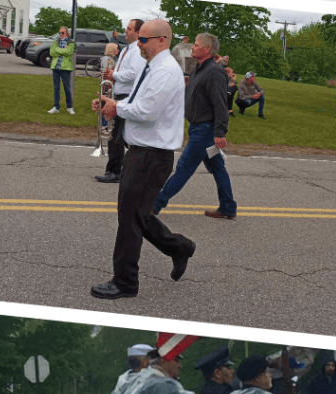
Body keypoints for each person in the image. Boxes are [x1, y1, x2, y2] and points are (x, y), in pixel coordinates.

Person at [90, 18, 197, 298]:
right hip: (141, 152)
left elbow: (148, 111)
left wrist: (118, 108)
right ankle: (180, 247)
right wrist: (113, 105)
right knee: (138, 216)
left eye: (144, 39)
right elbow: (137, 103)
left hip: (152, 155)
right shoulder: (152, 67)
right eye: (139, 38)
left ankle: (125, 282)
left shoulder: (165, 71)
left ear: (162, 40)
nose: (139, 43)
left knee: (129, 220)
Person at [152, 32, 237, 221]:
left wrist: (220, 132)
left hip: (205, 131)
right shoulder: (200, 69)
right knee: (217, 167)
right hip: (199, 128)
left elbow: (220, 105)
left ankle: (154, 206)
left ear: (207, 49)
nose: (192, 47)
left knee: (183, 167)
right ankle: (228, 207)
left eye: (196, 45)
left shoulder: (214, 72)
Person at [94, 19, 145, 184]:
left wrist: (113, 76)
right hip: (120, 95)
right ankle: (136, 169)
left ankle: (115, 171)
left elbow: (134, 73)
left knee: (117, 136)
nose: (126, 31)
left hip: (128, 96)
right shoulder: (125, 50)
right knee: (122, 136)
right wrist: (111, 74)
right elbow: (121, 71)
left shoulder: (137, 50)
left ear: (138, 33)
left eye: (129, 29)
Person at [48, 26, 76, 115]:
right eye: (59, 33)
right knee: (56, 88)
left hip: (66, 68)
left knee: (67, 88)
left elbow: (69, 52)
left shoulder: (71, 42)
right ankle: (56, 107)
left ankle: (70, 107)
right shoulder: (56, 41)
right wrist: (62, 50)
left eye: (62, 33)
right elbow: (52, 52)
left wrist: (58, 50)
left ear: (67, 34)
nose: (60, 34)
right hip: (56, 68)